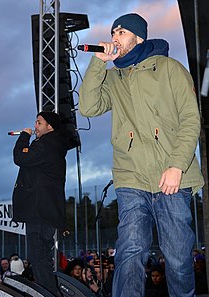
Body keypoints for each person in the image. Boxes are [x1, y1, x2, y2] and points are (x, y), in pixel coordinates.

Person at [79, 12, 204, 297]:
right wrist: (98, 64)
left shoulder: (170, 68)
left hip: (170, 176)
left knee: (177, 257)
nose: (114, 38)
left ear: (139, 37)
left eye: (121, 32)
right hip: (130, 175)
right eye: (113, 33)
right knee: (130, 249)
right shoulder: (113, 78)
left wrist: (176, 166)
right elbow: (88, 107)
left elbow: (190, 118)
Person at [12, 111, 67, 297]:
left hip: (39, 211)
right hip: (45, 210)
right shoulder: (53, 146)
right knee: (41, 256)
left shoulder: (46, 145)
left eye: (39, 122)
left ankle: (49, 293)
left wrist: (24, 137)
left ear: (49, 126)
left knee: (38, 256)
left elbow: (20, 157)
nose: (35, 126)